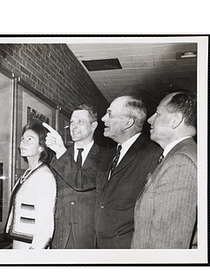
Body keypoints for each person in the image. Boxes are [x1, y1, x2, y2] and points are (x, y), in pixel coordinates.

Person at [44, 94, 162, 249]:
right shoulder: (111, 155)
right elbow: (84, 181)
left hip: (124, 249)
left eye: (110, 114)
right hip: (97, 244)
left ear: (127, 122)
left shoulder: (153, 155)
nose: (104, 119)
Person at [131, 91, 197, 249]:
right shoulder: (179, 156)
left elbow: (168, 245)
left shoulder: (181, 163)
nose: (150, 119)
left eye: (158, 113)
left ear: (175, 120)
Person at [44, 104, 105, 249]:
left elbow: (84, 182)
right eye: (71, 122)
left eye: (80, 122)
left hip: (89, 237)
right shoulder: (59, 156)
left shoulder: (105, 156)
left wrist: (60, 150)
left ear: (94, 125)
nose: (74, 126)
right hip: (59, 235)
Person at [5, 120, 56, 249]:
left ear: (41, 147)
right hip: (19, 243)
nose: (23, 142)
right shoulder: (28, 173)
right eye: (23, 138)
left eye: (30, 139)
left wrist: (34, 253)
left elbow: (45, 224)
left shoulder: (44, 176)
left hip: (31, 247)